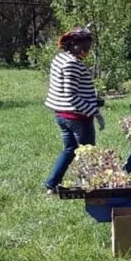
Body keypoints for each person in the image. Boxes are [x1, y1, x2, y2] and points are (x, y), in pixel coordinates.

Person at [43, 27, 104, 193]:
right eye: (83, 48)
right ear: (71, 45)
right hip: (77, 117)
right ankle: (91, 187)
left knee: (70, 150)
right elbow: (71, 96)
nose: (86, 52)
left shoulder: (60, 59)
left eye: (88, 48)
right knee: (88, 152)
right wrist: (94, 112)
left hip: (61, 114)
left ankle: (51, 184)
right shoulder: (72, 64)